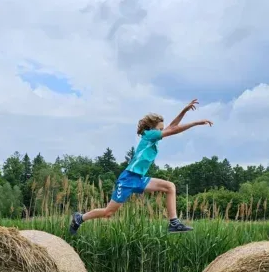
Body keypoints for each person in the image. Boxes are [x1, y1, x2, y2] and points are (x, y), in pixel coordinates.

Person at [69, 99, 213, 235]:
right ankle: (79, 218)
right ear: (153, 127)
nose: (163, 129)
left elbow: (172, 127)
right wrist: (196, 123)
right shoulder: (149, 135)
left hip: (139, 178)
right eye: (161, 127)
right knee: (108, 212)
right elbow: (173, 130)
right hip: (128, 179)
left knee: (170, 187)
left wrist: (184, 110)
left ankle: (174, 223)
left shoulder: (154, 136)